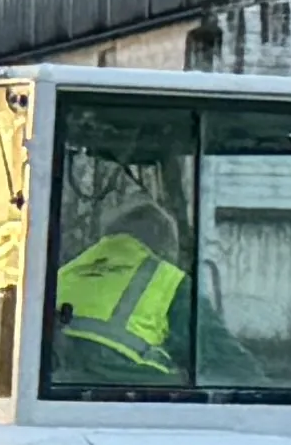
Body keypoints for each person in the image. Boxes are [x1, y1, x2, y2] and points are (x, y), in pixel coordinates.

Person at [50, 155, 192, 391]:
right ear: (164, 246)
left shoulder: (62, 273)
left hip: (58, 381)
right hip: (124, 386)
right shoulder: (168, 278)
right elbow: (222, 360)